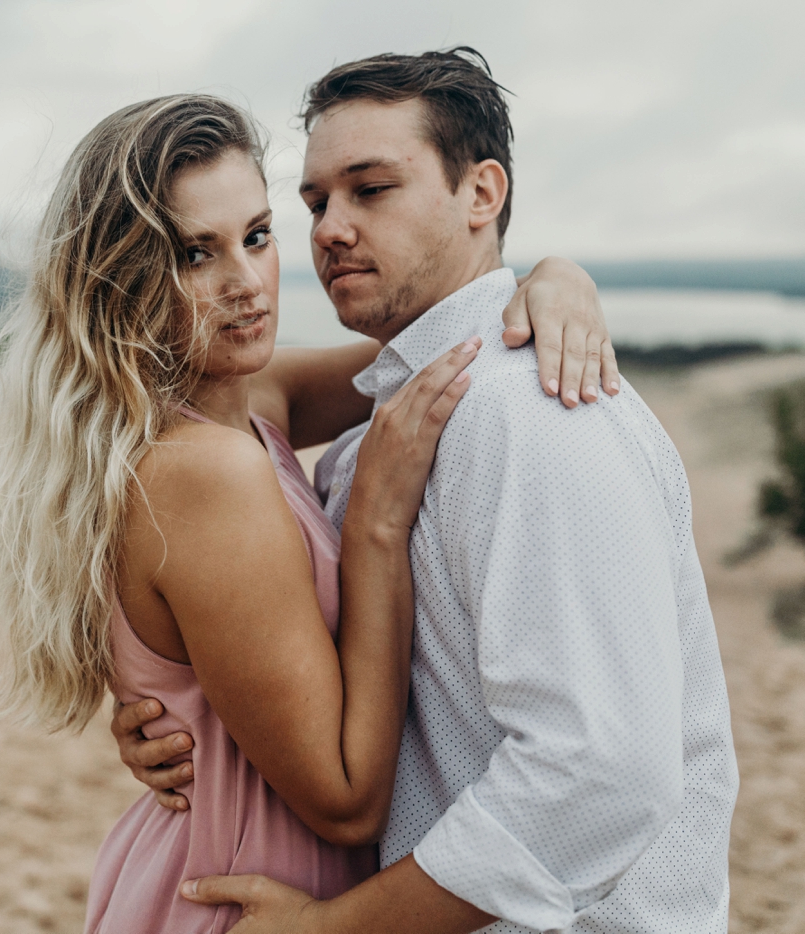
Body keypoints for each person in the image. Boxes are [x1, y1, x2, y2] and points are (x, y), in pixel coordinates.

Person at [114, 49, 739, 934]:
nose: (328, 229)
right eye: (315, 202)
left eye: (371, 190)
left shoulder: (534, 414)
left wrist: (343, 927)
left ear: (482, 194)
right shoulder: (408, 401)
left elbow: (602, 772)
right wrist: (188, 705)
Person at [0, 92, 615, 934]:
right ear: (121, 281)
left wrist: (557, 280)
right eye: (194, 255)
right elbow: (345, 802)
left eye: (257, 236)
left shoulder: (246, 398)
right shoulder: (205, 470)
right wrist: (375, 525)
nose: (245, 284)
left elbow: (434, 350)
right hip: (251, 900)